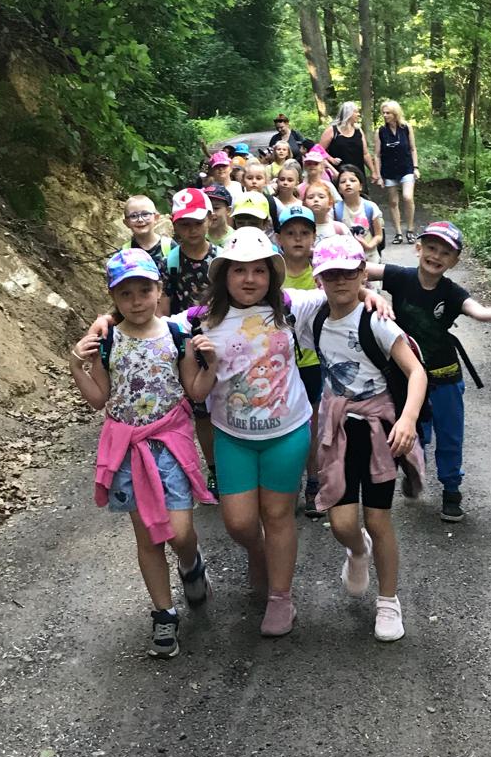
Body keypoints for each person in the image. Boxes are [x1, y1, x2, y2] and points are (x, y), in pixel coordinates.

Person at [183, 228, 391, 637]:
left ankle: (281, 597)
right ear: (223, 274)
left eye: (259, 270)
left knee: (278, 515)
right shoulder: (199, 320)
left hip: (288, 432)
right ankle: (258, 554)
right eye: (239, 270)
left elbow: (339, 294)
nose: (249, 279)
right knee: (239, 523)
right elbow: (148, 321)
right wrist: (107, 320)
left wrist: (370, 293)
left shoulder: (290, 306)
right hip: (232, 436)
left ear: (272, 275)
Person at [69, 249, 214, 659]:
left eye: (144, 291)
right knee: (148, 535)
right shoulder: (108, 341)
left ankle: (191, 563)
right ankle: (164, 614)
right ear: (113, 297)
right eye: (125, 293)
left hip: (170, 443)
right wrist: (77, 367)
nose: (136, 301)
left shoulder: (176, 334)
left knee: (180, 532)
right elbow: (99, 398)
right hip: (128, 449)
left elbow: (195, 390)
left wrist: (212, 366)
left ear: (159, 289)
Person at [293, 239, 427, 642]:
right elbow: (269, 298)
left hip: (379, 429)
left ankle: (388, 601)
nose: (341, 281)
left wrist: (408, 418)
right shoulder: (314, 315)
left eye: (350, 273)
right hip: (337, 429)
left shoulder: (377, 321)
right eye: (331, 274)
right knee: (342, 522)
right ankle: (356, 550)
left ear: (362, 273)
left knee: (378, 519)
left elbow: (416, 371)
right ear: (319, 278)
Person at [378, 221, 491, 523]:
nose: (436, 256)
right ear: (418, 248)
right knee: (412, 431)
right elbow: (359, 270)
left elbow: (479, 312)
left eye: (445, 253)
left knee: (450, 435)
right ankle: (413, 469)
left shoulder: (451, 292)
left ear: (454, 261)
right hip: (406, 376)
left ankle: (451, 489)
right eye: (431, 248)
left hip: (445, 376)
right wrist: (348, 279)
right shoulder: (400, 277)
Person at [163, 186, 219, 488]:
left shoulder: (221, 259)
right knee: (201, 412)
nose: (192, 230)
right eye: (185, 224)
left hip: (221, 341)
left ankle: (232, 462)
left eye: (197, 222)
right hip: (186, 346)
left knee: (226, 402)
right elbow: (163, 307)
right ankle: (214, 468)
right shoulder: (170, 263)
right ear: (175, 225)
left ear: (209, 219)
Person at [277, 204, 323, 519]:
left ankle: (315, 481)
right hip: (278, 364)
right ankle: (288, 484)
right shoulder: (271, 272)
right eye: (290, 233)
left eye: (304, 233)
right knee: (286, 424)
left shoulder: (321, 271)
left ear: (313, 237)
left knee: (313, 424)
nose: (297, 239)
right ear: (279, 238)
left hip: (313, 360)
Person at [373, 101, 420, 244]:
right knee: (393, 202)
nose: (385, 115)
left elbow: (413, 149)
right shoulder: (380, 131)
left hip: (406, 168)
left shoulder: (406, 128)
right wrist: (378, 175)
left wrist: (416, 167)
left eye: (388, 113)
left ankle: (410, 230)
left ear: (395, 113)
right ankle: (398, 232)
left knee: (407, 197)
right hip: (389, 170)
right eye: (383, 113)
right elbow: (377, 155)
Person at [121, 194, 173, 278]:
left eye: (145, 214)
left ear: (156, 218)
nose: (140, 220)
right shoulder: (124, 252)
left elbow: (178, 278)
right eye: (133, 216)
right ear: (126, 223)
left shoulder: (169, 247)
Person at [333, 166, 383, 253]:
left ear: (361, 186)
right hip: (346, 256)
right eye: (343, 182)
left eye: (352, 180)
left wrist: (369, 245)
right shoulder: (336, 209)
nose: (348, 184)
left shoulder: (370, 207)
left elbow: (379, 235)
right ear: (339, 189)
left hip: (370, 255)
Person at [319, 101, 373, 181]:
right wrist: (331, 160)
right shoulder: (332, 131)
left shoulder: (359, 131)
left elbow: (365, 154)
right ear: (348, 113)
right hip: (338, 176)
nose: (358, 114)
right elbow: (319, 151)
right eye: (356, 112)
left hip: (358, 176)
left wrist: (373, 171)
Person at [237, 158, 280, 230]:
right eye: (250, 178)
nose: (254, 181)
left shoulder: (272, 201)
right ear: (243, 181)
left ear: (266, 181)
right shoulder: (239, 201)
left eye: (258, 178)